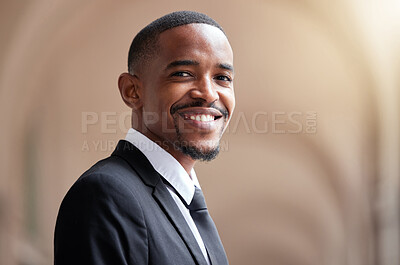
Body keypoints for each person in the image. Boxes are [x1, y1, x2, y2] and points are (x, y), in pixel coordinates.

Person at [54, 10, 235, 265]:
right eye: (183, 73)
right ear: (132, 91)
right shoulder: (105, 195)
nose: (208, 93)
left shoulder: (187, 204)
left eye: (222, 78)